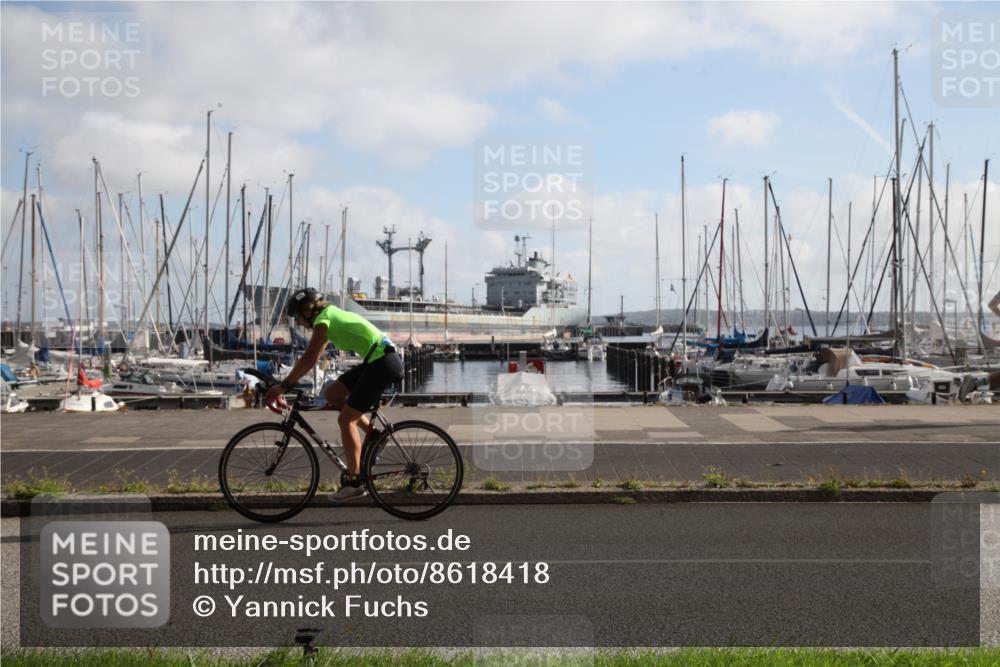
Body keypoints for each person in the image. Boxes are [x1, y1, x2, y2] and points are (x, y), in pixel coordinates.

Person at [264, 287, 404, 501]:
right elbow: (314, 357)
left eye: (296, 317)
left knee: (346, 419)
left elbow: (310, 357)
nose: (298, 323)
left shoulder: (323, 319)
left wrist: (283, 386)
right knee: (333, 394)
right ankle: (373, 434)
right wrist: (291, 383)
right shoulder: (328, 318)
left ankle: (355, 481)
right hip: (377, 360)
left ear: (307, 310)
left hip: (382, 363)